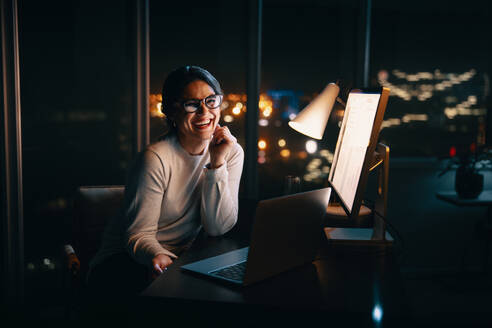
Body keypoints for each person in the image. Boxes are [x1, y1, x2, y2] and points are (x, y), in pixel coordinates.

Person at [87, 66, 244, 299]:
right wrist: (159, 257)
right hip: (125, 262)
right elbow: (138, 235)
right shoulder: (155, 158)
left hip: (180, 260)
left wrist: (217, 164)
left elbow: (217, 227)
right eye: (192, 104)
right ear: (170, 111)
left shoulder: (229, 151)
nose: (204, 111)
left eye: (211, 101)